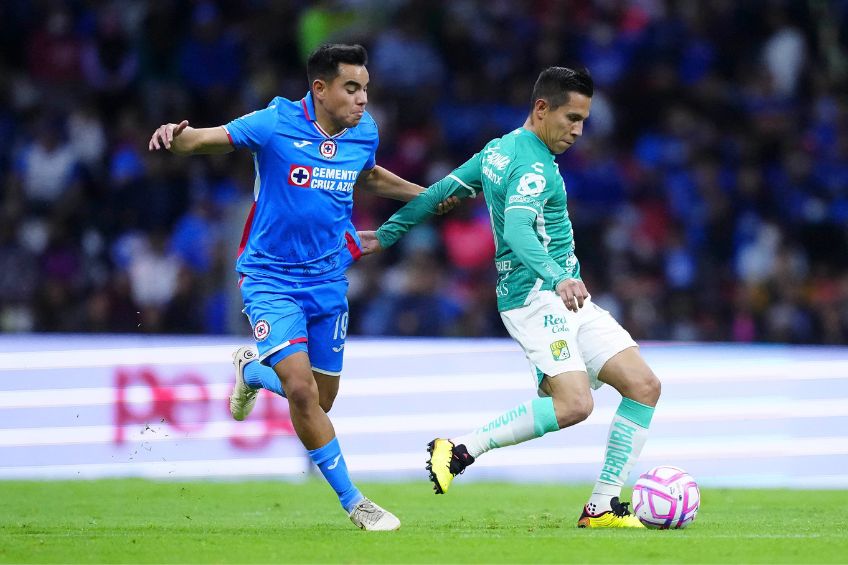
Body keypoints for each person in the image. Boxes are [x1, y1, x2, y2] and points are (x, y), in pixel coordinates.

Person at [149, 43, 454, 531]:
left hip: (329, 278)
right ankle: (356, 502)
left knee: (319, 400)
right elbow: (207, 140)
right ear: (320, 88)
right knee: (301, 390)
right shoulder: (275, 123)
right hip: (270, 279)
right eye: (351, 89)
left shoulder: (364, 132)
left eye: (366, 89)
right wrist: (176, 137)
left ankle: (251, 371)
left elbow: (367, 175)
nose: (362, 100)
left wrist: (426, 195)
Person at [357, 67, 662, 528]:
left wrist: (386, 235)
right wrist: (556, 275)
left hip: (566, 296)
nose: (578, 131)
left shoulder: (498, 151)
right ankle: (460, 449)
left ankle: (601, 506)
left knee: (643, 386)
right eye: (571, 118)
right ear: (542, 109)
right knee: (575, 404)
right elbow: (518, 228)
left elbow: (439, 193)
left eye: (583, 121)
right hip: (538, 298)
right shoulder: (532, 167)